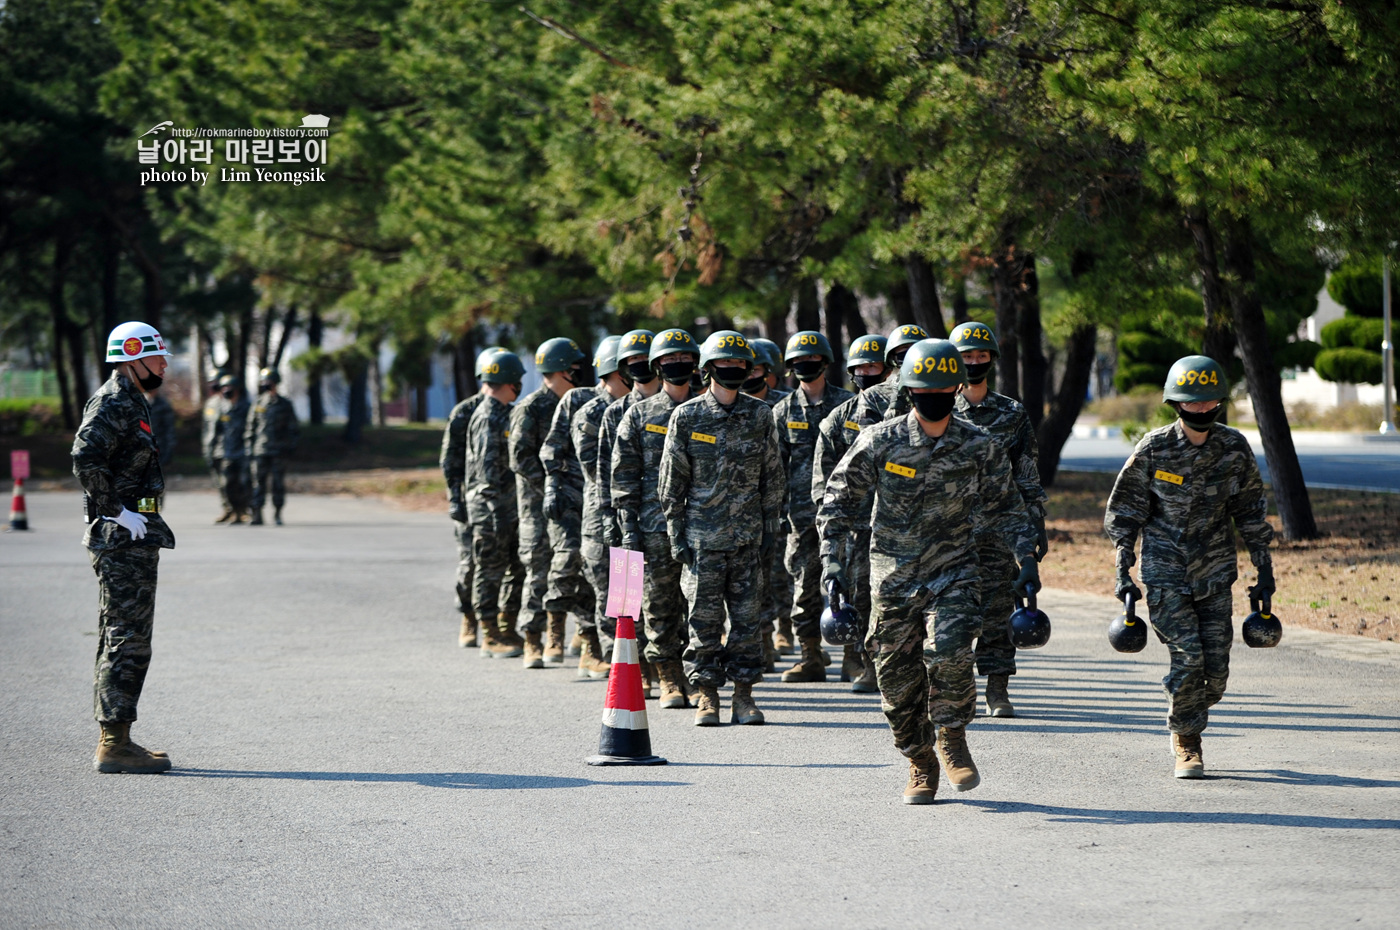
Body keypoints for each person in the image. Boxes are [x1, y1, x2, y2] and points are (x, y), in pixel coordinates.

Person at [817, 339, 1038, 803]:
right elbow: (837, 503)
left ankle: (952, 736)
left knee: (951, 654)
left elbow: (1008, 507)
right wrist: (833, 561)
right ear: (908, 391)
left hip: (955, 571)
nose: (933, 397)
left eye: (943, 389)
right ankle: (920, 759)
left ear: (956, 389)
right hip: (893, 577)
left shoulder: (980, 445)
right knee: (896, 684)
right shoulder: (881, 440)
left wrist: (1027, 558)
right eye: (923, 389)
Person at [1104, 355, 1274, 779]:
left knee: (1216, 672)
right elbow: (1124, 512)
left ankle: (1189, 705)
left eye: (1209, 402)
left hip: (1215, 572)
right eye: (1191, 402)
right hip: (1165, 572)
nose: (1201, 409)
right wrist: (1123, 568)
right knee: (1188, 658)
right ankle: (1187, 742)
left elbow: (1251, 510)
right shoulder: (1155, 448)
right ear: (1175, 403)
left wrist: (1264, 567)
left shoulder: (1233, 448)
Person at [658, 330, 784, 727]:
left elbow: (772, 477)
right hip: (702, 541)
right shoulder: (688, 416)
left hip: (747, 541)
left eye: (739, 365)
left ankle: (744, 697)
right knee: (703, 623)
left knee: (748, 624)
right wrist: (677, 535)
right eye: (724, 364)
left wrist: (768, 531)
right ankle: (707, 696)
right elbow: (671, 482)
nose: (732, 370)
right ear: (708, 369)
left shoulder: (760, 415)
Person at [72, 321, 177, 774]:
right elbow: (84, 456)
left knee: (127, 635)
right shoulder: (115, 400)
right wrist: (115, 509)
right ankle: (114, 743)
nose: (163, 366)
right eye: (157, 358)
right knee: (126, 638)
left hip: (133, 534)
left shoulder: (132, 398)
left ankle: (117, 738)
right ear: (133, 357)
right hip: (122, 537)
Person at [949, 322, 1049, 717]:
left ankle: (997, 689)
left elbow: (1026, 472)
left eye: (980, 355)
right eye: (965, 356)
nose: (973, 362)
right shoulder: (934, 405)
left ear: (991, 359)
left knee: (996, 613)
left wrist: (1035, 522)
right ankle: (954, 691)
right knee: (950, 617)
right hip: (947, 531)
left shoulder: (1011, 413)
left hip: (996, 529)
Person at [611, 328, 701, 708]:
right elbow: (623, 478)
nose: (677, 365)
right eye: (668, 360)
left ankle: (698, 676)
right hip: (653, 527)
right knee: (658, 604)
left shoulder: (706, 411)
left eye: (684, 359)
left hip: (702, 526)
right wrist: (627, 532)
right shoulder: (638, 415)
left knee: (700, 607)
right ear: (655, 366)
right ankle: (667, 676)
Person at [772, 331, 853, 683]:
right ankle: (810, 656)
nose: (806, 366)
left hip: (845, 513)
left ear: (825, 363)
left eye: (812, 360)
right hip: (800, 517)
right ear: (791, 367)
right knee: (803, 587)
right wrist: (777, 513)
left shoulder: (847, 405)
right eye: (799, 362)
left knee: (852, 581)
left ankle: (854, 656)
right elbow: (773, 467)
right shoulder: (782, 411)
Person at [810, 333, 889, 692]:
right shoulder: (838, 420)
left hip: (898, 523)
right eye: (861, 367)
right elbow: (823, 484)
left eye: (875, 365)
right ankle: (866, 664)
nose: (868, 372)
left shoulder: (905, 413)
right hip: (856, 526)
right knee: (861, 595)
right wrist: (830, 531)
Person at [510, 337, 588, 669]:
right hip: (538, 510)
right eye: (573, 366)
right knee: (540, 574)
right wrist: (554, 483)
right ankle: (533, 640)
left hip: (574, 508)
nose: (578, 371)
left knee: (578, 570)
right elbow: (519, 458)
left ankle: (582, 637)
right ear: (560, 369)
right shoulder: (531, 407)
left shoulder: (577, 404)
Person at [595, 329, 662, 690]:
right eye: (629, 362)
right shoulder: (615, 412)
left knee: (667, 603)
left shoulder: (680, 405)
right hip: (626, 519)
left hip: (669, 521)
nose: (637, 366)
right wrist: (611, 522)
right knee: (627, 601)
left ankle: (667, 667)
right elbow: (606, 474)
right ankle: (637, 673)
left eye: (642, 359)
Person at [540, 342, 608, 666]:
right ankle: (554, 627)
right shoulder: (578, 399)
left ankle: (591, 644)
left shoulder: (639, 404)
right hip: (571, 497)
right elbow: (552, 447)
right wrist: (552, 485)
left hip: (609, 504)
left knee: (605, 578)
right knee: (567, 562)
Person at [440, 346, 512, 648]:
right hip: (471, 501)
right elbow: (450, 460)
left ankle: (500, 621)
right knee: (471, 563)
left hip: (501, 500)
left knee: (499, 563)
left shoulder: (508, 410)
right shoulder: (466, 411)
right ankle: (469, 617)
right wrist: (454, 499)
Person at [466, 350, 530, 660]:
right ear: (511, 381)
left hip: (507, 508)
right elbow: (487, 472)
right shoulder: (488, 416)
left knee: (514, 570)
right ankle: (490, 633)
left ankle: (506, 626)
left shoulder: (503, 411)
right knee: (490, 571)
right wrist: (497, 512)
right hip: (492, 511)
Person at [572, 336, 628, 679]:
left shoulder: (640, 406)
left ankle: (632, 663)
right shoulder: (592, 412)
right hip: (601, 517)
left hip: (631, 516)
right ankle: (612, 661)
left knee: (630, 591)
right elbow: (597, 470)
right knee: (610, 592)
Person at [746, 336, 795, 665]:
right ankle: (760, 633)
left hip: (782, 503)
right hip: (742, 508)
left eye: (758, 369)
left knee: (781, 573)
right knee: (752, 577)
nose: (752, 375)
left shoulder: (779, 406)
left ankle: (785, 627)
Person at [244, 367, 300, 526]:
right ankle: (257, 514)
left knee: (277, 484)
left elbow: (293, 428)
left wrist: (290, 446)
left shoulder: (284, 404)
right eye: (264, 382)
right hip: (260, 450)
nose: (266, 384)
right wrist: (249, 448)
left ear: (276, 383)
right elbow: (250, 428)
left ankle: (277, 513)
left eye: (269, 382)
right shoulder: (258, 403)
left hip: (278, 451)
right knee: (258, 483)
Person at [206, 374, 251, 524]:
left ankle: (243, 511)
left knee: (244, 483)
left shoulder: (246, 407)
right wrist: (211, 449)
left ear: (237, 389)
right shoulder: (221, 407)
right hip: (226, 451)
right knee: (227, 484)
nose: (226, 391)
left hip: (243, 451)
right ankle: (234, 511)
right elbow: (215, 430)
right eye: (224, 388)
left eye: (229, 388)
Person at [201, 371, 232, 522]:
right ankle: (227, 508)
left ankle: (238, 509)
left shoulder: (229, 402)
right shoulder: (211, 403)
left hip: (227, 448)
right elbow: (207, 427)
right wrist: (206, 446)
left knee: (231, 481)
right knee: (219, 483)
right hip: (212, 448)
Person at [148, 388, 177, 468]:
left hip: (159, 446)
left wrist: (169, 448)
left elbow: (169, 428)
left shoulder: (163, 405)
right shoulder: (138, 402)